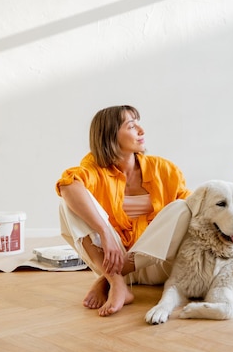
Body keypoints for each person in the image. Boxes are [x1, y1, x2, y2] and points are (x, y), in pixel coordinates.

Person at [56, 105, 191, 316]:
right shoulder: (94, 167)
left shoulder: (164, 169)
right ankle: (117, 282)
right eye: (131, 125)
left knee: (183, 208)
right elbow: (68, 185)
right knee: (68, 202)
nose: (141, 130)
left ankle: (108, 280)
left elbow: (195, 207)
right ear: (110, 135)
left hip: (158, 264)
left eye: (138, 123)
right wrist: (105, 232)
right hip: (112, 257)